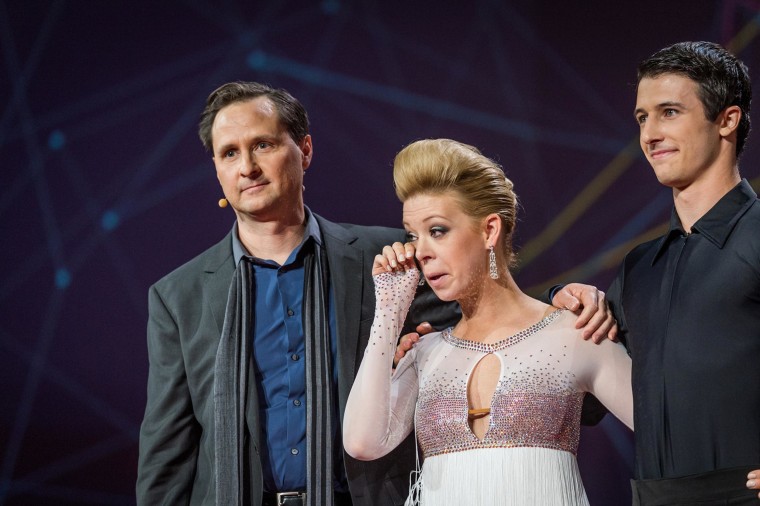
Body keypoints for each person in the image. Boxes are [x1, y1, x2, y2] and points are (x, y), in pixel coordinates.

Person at [135, 82, 461, 506]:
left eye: (263, 145)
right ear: (216, 168)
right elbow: (168, 453)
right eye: (229, 153)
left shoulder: (384, 259)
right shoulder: (178, 297)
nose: (247, 166)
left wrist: (563, 299)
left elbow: (486, 324)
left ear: (304, 150)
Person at [342, 138, 634, 505]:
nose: (421, 252)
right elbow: (362, 442)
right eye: (412, 236)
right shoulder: (426, 352)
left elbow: (670, 431)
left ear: (489, 230)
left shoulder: (574, 331)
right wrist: (388, 310)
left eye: (437, 231)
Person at [549, 41, 760, 504]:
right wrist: (566, 309)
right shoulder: (640, 267)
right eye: (643, 117)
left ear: (728, 119)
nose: (649, 134)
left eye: (669, 112)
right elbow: (587, 392)